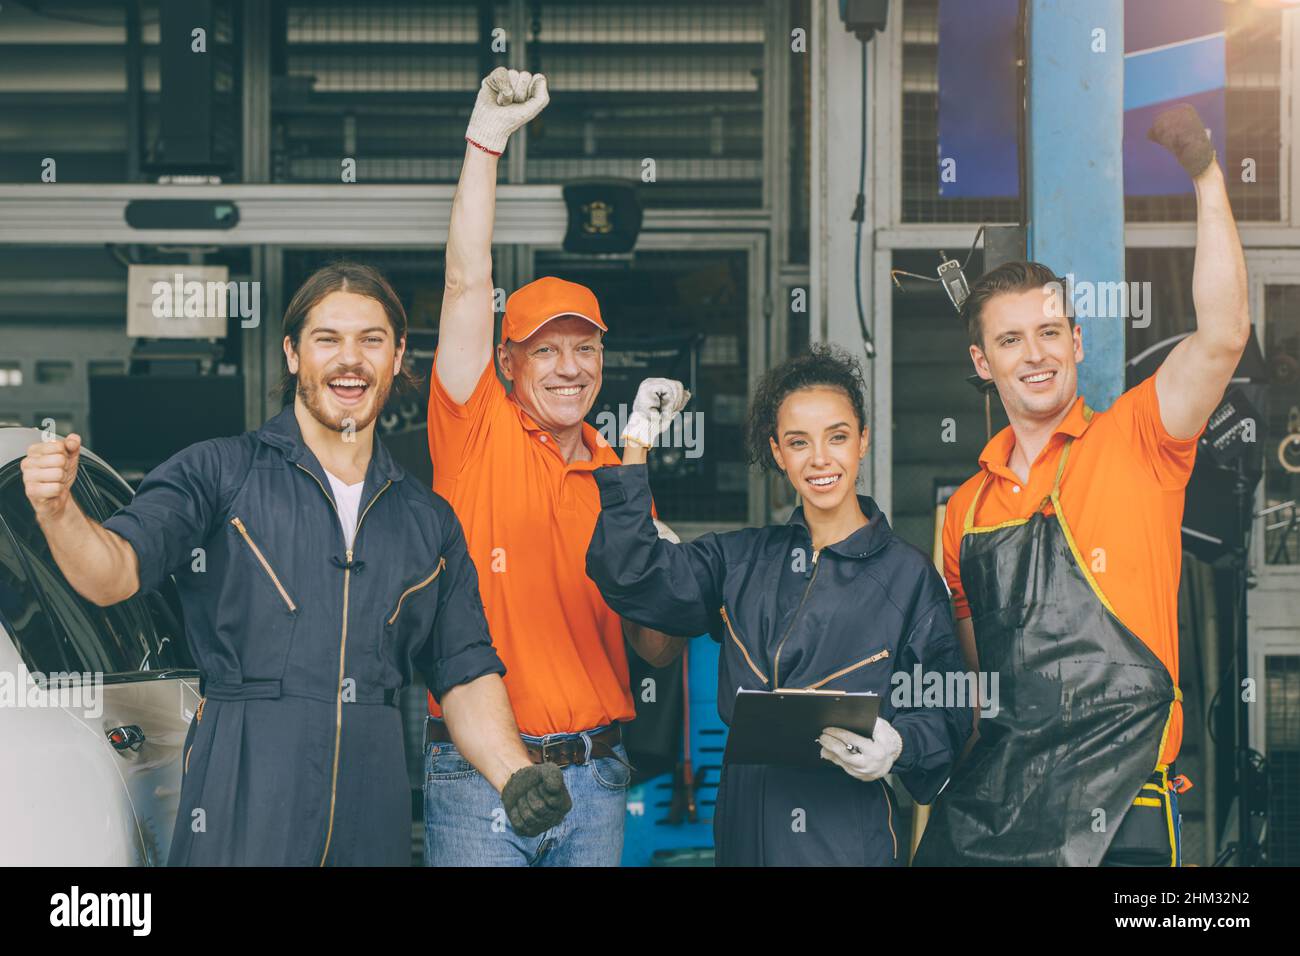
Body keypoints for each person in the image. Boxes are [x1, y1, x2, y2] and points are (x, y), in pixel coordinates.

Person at [20, 261, 571, 866]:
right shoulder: (218, 474)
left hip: (374, 795)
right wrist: (58, 512)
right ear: (292, 354)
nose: (350, 359)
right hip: (243, 780)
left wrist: (514, 773)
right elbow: (113, 572)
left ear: (398, 355)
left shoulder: (427, 520)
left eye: (371, 339)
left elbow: (463, 670)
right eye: (327, 339)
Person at [914, 105, 1250, 866]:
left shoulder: (1141, 435)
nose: (1034, 354)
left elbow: (1225, 334)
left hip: (1122, 816)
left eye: (1049, 332)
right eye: (1009, 340)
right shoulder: (966, 510)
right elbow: (976, 688)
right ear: (982, 363)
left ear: (1077, 339)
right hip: (993, 813)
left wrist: (1204, 173)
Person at [424, 67, 681, 866]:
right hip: (479, 781)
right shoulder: (475, 431)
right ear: (507, 360)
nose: (569, 367)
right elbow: (467, 282)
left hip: (598, 778)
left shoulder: (618, 476)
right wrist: (486, 143)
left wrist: (655, 569)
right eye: (546, 349)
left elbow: (657, 654)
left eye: (585, 347)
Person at [586, 346, 973, 866]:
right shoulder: (740, 559)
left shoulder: (906, 576)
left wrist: (898, 743)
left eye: (837, 437)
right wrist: (635, 442)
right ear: (777, 452)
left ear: (863, 441)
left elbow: (948, 713)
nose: (819, 459)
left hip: (844, 834)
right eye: (798, 442)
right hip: (744, 824)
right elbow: (631, 575)